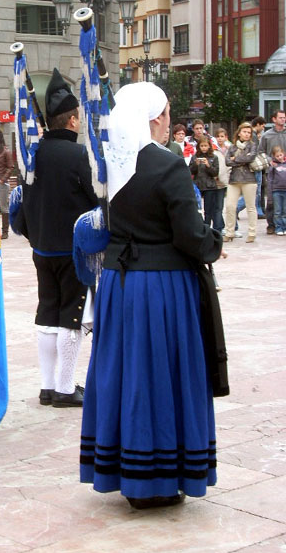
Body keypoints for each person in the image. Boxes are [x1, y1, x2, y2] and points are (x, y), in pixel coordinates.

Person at [80, 82, 223, 509]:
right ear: (155, 118)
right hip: (161, 285)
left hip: (119, 284)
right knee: (160, 374)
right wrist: (214, 242)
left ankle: (125, 468)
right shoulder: (167, 164)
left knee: (126, 372)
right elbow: (189, 234)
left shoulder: (108, 163)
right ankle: (157, 478)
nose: (168, 121)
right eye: (167, 114)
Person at [14, 68, 98, 408]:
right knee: (71, 316)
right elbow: (96, 199)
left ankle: (47, 386)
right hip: (72, 251)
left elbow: (23, 203)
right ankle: (64, 389)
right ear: (73, 120)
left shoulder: (32, 155)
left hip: (41, 248)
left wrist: (35, 235)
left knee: (47, 313)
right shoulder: (79, 155)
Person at [224, 121, 259, 243]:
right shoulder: (232, 147)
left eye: (249, 132)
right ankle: (229, 232)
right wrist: (241, 159)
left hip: (249, 179)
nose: (247, 134)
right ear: (239, 133)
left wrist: (235, 158)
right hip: (234, 180)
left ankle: (252, 233)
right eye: (244, 132)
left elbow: (250, 158)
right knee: (230, 206)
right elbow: (227, 161)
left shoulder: (253, 145)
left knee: (251, 207)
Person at [259, 109, 286, 235]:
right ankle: (271, 225)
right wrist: (269, 160)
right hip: (272, 172)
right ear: (274, 119)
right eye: (280, 117)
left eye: (284, 117)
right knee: (271, 199)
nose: (283, 120)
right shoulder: (267, 135)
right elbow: (260, 152)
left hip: (285, 171)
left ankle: (283, 225)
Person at [189, 137, 221, 228]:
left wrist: (208, 165)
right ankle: (198, 226)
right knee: (197, 208)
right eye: (202, 146)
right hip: (198, 184)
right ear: (198, 147)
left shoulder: (214, 157)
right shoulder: (194, 157)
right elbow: (190, 171)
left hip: (209, 186)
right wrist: (195, 164)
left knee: (209, 209)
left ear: (209, 146)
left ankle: (207, 227)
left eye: (205, 146)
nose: (203, 148)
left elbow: (215, 173)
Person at [0, 128, 13, 239]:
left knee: (4, 207)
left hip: (2, 183)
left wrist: (3, 180)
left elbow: (10, 167)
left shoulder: (5, 151)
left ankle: (5, 231)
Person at [267, 145, 286, 236]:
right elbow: (270, 179)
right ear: (274, 156)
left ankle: (284, 227)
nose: (279, 157)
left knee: (285, 211)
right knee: (277, 211)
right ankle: (278, 227)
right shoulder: (273, 166)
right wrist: (270, 193)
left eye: (280, 155)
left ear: (284, 154)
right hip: (276, 191)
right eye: (277, 156)